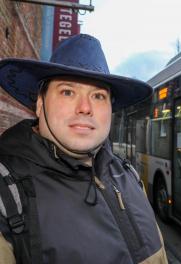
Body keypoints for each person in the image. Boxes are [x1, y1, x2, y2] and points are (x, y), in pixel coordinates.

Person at [0, 34, 168, 264]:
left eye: (98, 96)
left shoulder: (129, 175)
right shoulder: (7, 195)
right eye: (68, 92)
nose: (85, 107)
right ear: (40, 104)